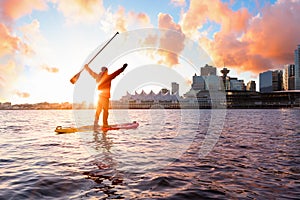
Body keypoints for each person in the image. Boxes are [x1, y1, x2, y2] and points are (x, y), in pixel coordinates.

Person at [84, 63, 127, 128]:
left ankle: (95, 123)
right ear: (106, 71)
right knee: (105, 111)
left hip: (99, 96)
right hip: (105, 97)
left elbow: (91, 72)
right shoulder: (108, 77)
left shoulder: (97, 76)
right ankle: (105, 124)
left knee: (98, 110)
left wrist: (87, 67)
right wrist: (122, 68)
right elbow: (116, 73)